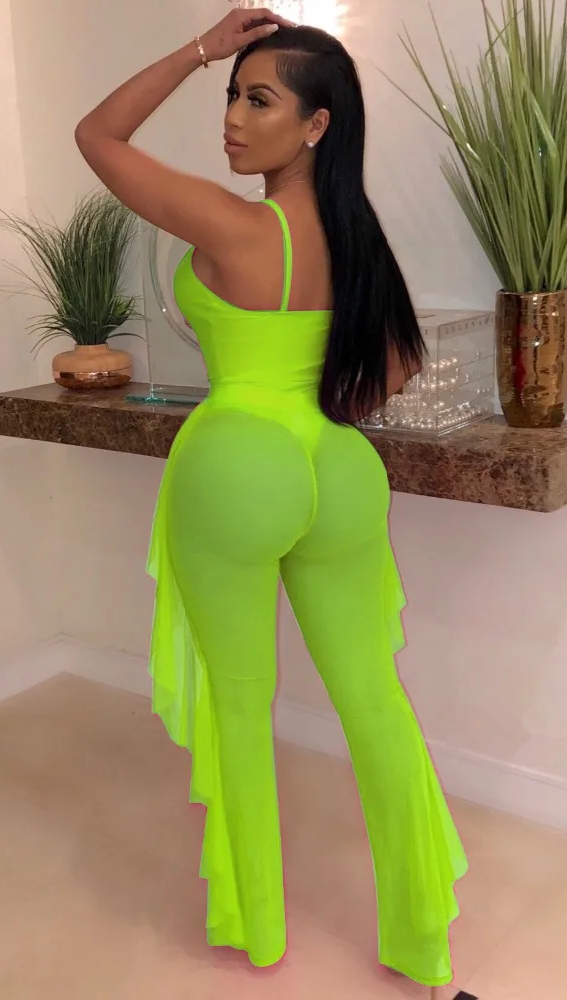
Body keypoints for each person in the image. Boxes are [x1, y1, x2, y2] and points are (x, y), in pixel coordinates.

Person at [75, 9, 467, 991]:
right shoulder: (357, 238)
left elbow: (97, 136)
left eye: (259, 100)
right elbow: (396, 365)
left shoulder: (230, 222)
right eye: (229, 95)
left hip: (239, 464)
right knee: (373, 700)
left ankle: (261, 929)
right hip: (338, 468)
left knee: (242, 708)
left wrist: (198, 47)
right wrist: (315, 406)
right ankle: (421, 938)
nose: (233, 118)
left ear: (316, 125)